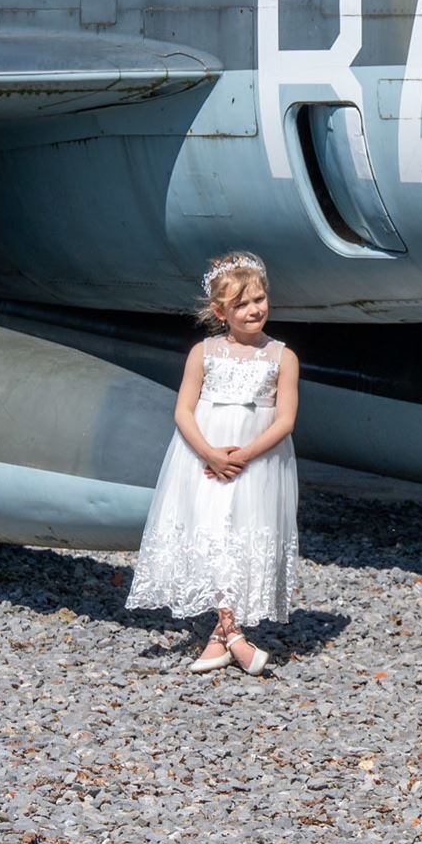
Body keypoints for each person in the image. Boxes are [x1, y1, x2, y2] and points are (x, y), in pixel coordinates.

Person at [126, 252, 301, 676]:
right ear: (220, 312)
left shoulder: (282, 356)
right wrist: (209, 453)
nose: (254, 309)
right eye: (241, 304)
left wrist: (244, 455)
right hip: (203, 455)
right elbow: (183, 411)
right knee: (214, 533)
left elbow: (285, 420)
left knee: (240, 535)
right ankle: (234, 636)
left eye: (259, 299)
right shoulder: (203, 352)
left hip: (257, 459)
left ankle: (223, 638)